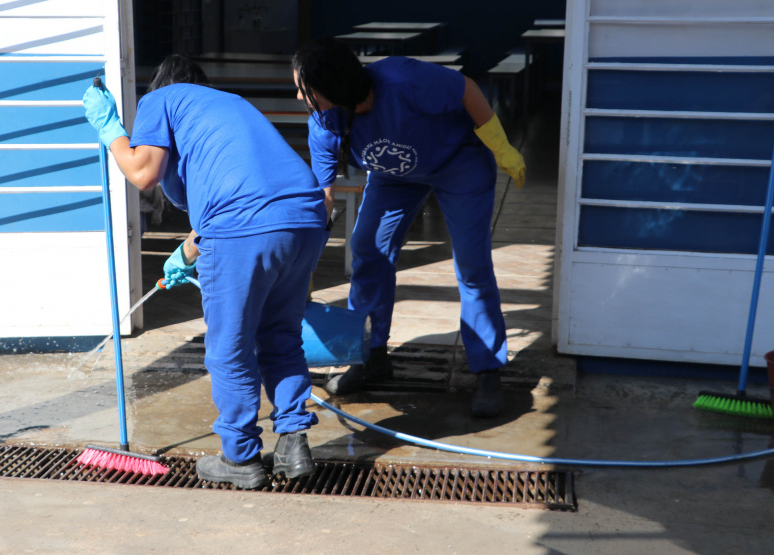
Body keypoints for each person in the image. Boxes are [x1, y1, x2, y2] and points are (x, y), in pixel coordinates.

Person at [83, 54, 329, 488]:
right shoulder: (225, 105)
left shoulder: (160, 99)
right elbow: (240, 197)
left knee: (229, 347)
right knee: (280, 334)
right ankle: (293, 444)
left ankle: (241, 459)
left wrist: (110, 131)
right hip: (305, 218)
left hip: (247, 225)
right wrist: (186, 254)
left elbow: (143, 173)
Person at [292, 38, 526, 418]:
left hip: (458, 163)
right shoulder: (324, 122)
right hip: (394, 176)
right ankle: (370, 355)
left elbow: (466, 89)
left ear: (332, 84)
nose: (300, 96)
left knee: (471, 264)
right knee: (367, 248)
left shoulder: (402, 80)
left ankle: (487, 369)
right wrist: (305, 260)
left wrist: (499, 144)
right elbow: (324, 198)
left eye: (305, 89)